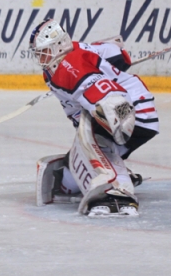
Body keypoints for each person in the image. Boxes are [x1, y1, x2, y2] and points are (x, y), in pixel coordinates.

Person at [31, 19, 158, 217]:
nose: (41, 57)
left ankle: (116, 191)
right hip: (139, 107)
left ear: (58, 46)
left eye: (44, 51)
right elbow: (118, 53)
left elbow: (111, 101)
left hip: (131, 111)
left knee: (96, 145)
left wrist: (117, 120)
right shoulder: (73, 53)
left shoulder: (69, 68)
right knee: (71, 177)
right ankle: (115, 170)